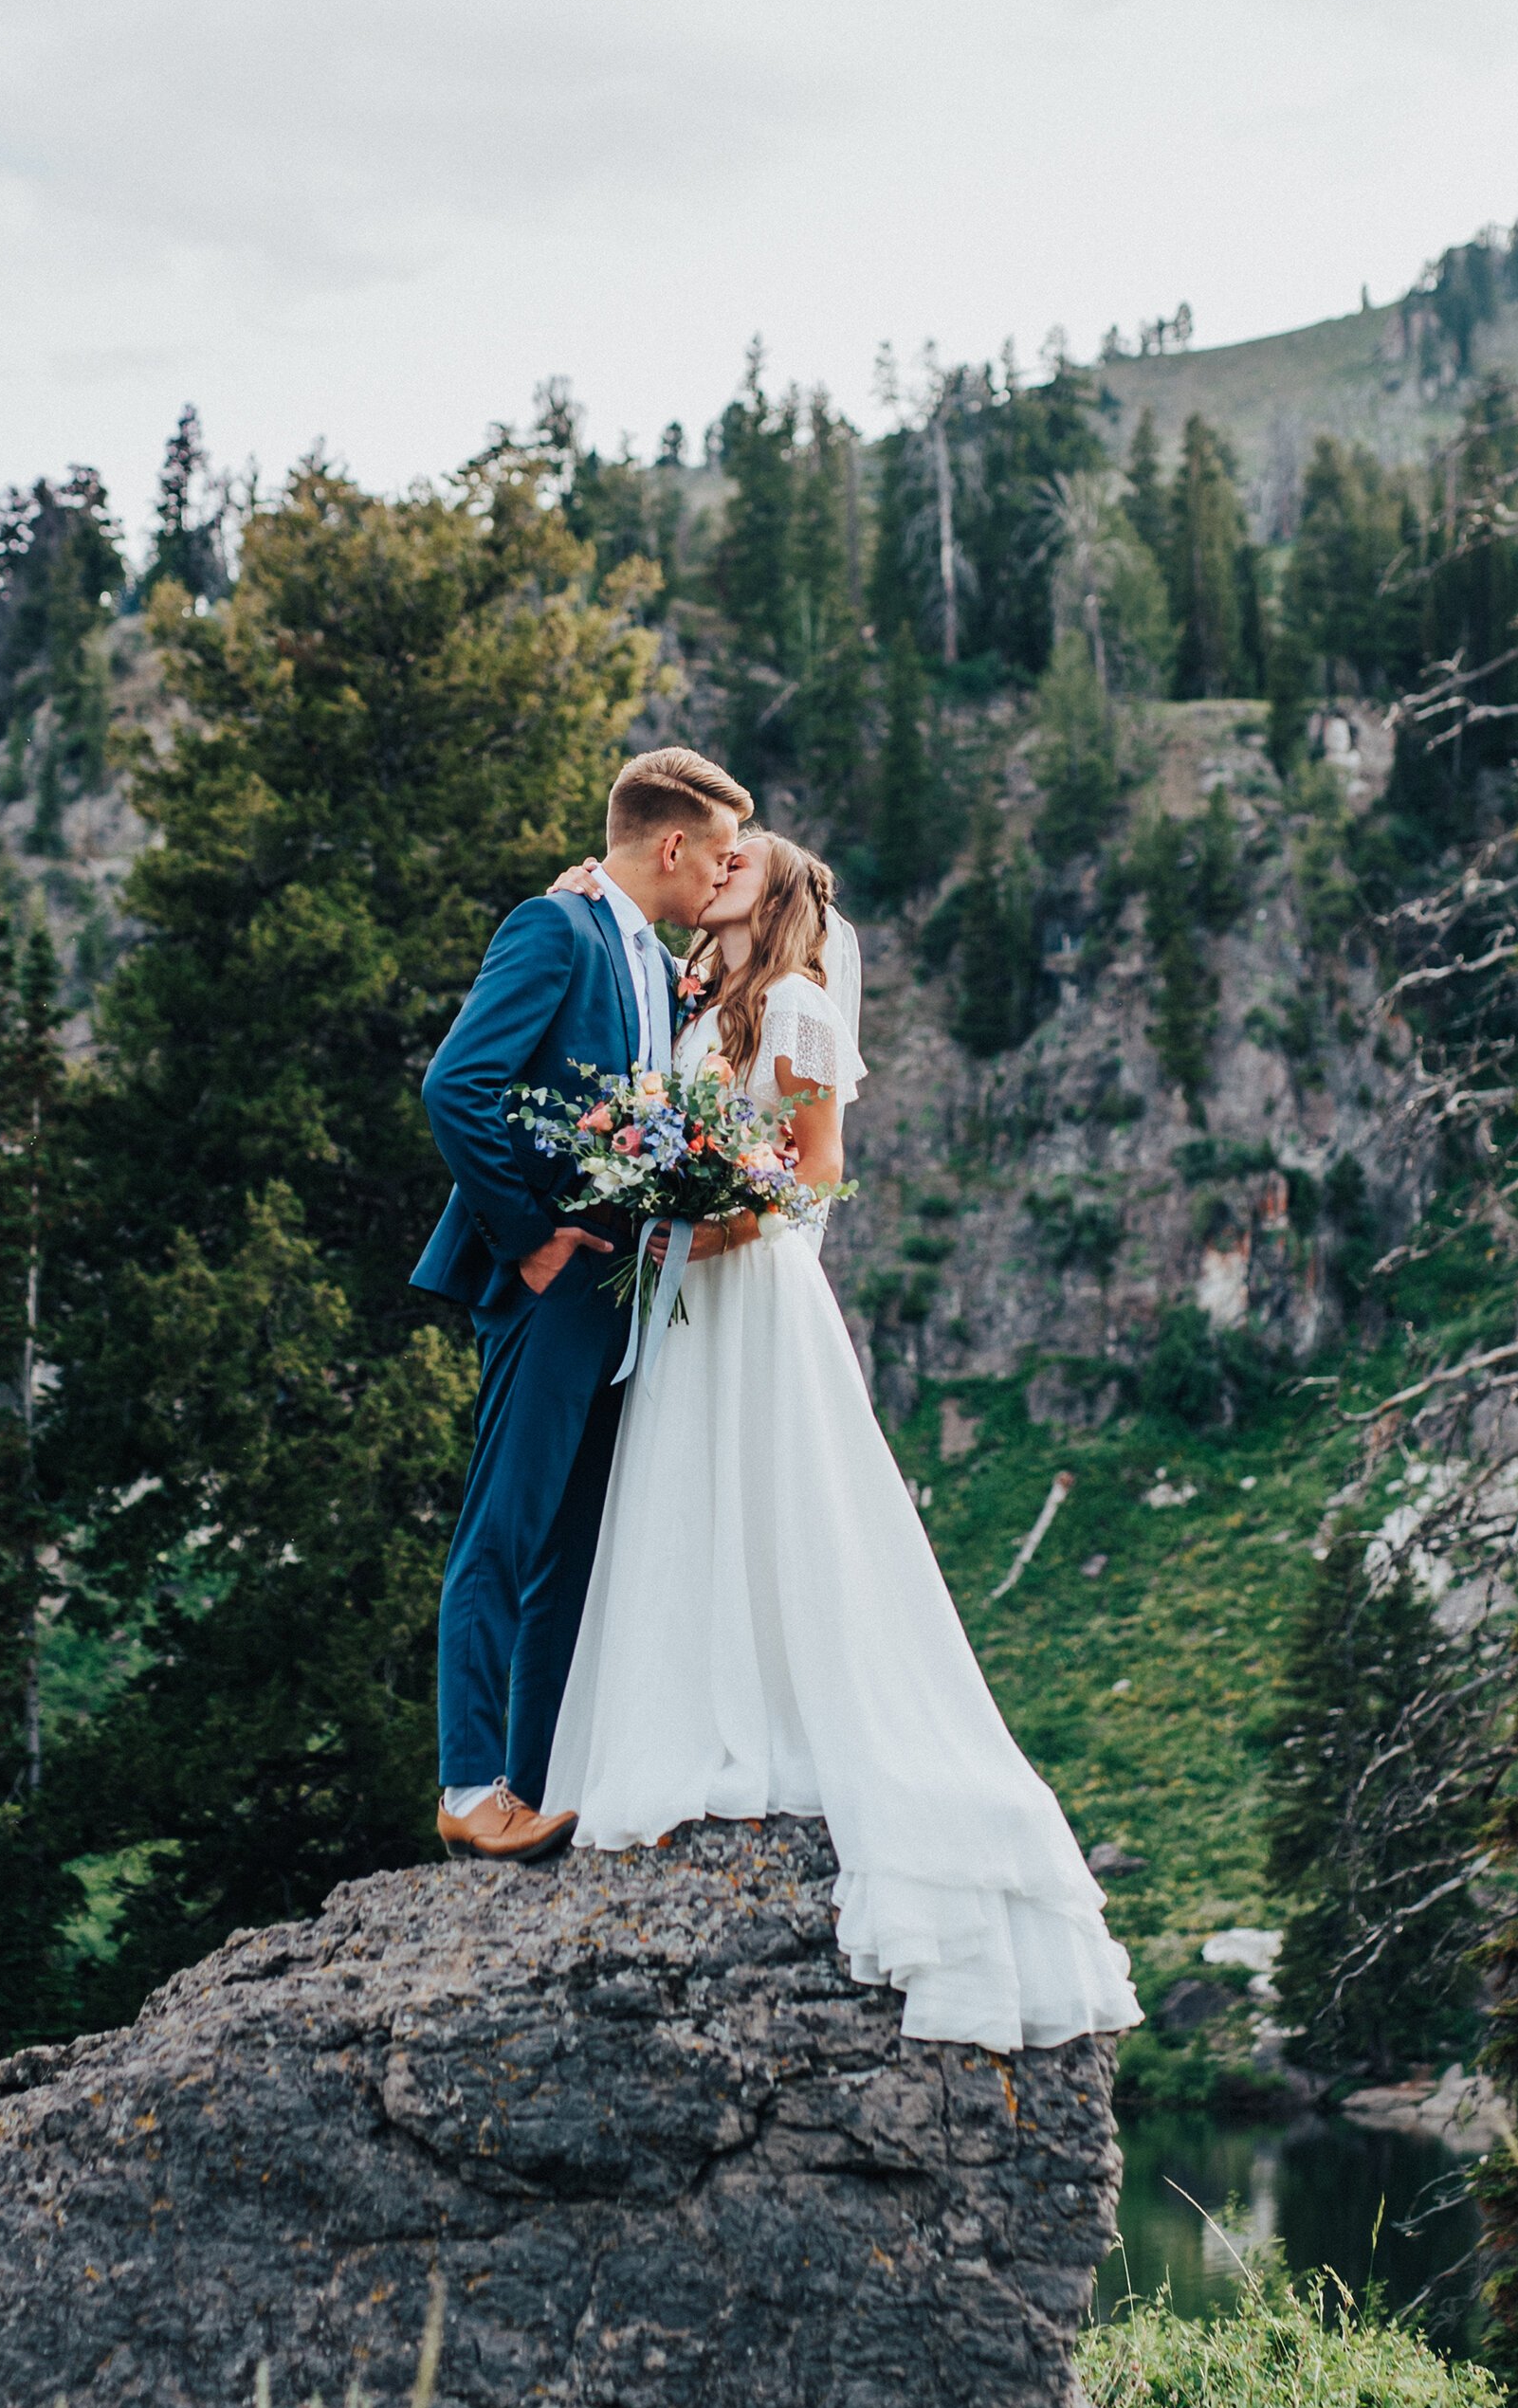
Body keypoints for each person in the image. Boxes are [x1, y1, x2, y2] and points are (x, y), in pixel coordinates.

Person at [542, 830, 1142, 2055]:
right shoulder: (697, 1002)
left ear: (780, 894)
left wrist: (708, 1225)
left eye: (740, 862)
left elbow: (817, 1170)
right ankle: (689, 1715)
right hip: (688, 1298)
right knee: (682, 1502)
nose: (716, 869)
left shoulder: (803, 1006)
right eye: (709, 859)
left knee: (790, 1505)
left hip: (755, 1293)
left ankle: (802, 1730)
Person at [412, 745, 750, 1863]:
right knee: (504, 1530)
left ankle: (538, 1779)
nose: (722, 871)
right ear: (669, 845)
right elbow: (457, 1086)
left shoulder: (648, 959)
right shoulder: (554, 929)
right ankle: (467, 1787)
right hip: (553, 1284)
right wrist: (528, 1239)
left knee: (570, 1550)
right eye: (715, 851)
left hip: (626, 1297)